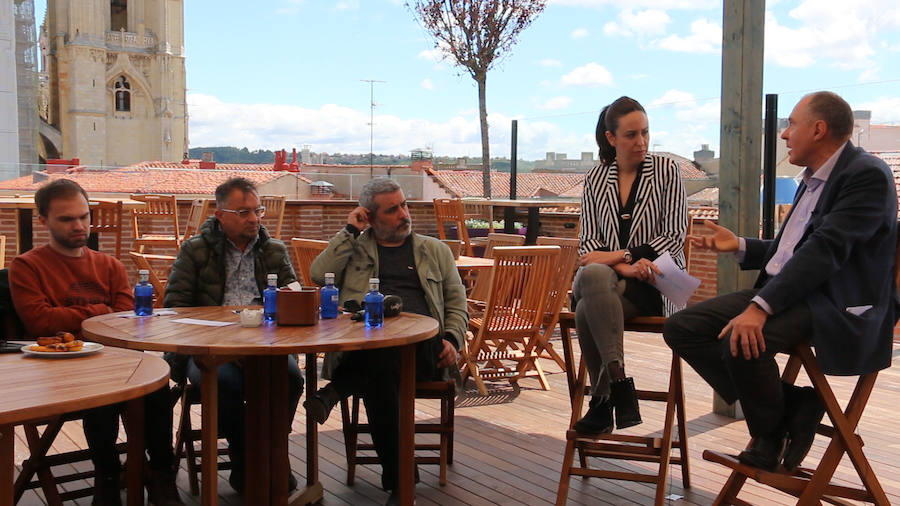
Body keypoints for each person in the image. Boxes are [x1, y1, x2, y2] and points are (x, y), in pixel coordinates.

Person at [664, 91, 899, 472]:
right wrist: (740, 245)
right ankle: (792, 406)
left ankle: (768, 437)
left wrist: (759, 308)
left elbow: (826, 251)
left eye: (791, 124)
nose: (785, 135)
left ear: (819, 129)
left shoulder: (866, 174)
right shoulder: (812, 179)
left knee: (741, 340)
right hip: (794, 293)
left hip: (834, 304)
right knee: (683, 327)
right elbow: (795, 250)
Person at [9, 179, 183, 506]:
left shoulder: (109, 265)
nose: (79, 225)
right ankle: (107, 476)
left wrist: (74, 315)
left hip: (116, 360)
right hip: (55, 369)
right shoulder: (26, 266)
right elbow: (40, 321)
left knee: (157, 380)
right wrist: (101, 311)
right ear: (43, 220)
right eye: (66, 219)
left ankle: (160, 475)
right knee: (104, 392)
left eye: (83, 216)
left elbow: (125, 318)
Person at [306, 178, 468, 505]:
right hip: (371, 349)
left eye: (404, 205)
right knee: (382, 370)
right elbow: (316, 272)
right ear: (370, 216)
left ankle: (337, 389)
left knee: (386, 356)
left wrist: (453, 338)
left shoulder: (434, 250)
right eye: (392, 210)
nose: (403, 214)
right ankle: (401, 483)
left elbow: (457, 303)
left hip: (426, 349)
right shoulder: (356, 249)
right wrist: (350, 231)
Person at [163, 177, 303, 493]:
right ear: (220, 214)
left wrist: (288, 300)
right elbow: (175, 307)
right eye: (243, 212)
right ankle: (249, 465)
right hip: (208, 350)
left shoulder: (274, 251)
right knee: (225, 382)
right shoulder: (195, 251)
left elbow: (293, 298)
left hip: (266, 346)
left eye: (258, 211)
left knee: (292, 379)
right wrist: (226, 344)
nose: (254, 219)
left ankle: (271, 456)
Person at [571, 96, 688, 435]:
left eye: (646, 133)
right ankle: (619, 383)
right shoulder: (595, 179)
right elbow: (588, 245)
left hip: (659, 280)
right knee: (593, 275)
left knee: (585, 305)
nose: (641, 143)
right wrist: (625, 264)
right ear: (611, 138)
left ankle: (604, 400)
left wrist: (620, 258)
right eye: (631, 135)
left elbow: (673, 235)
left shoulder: (667, 171)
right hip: (613, 282)